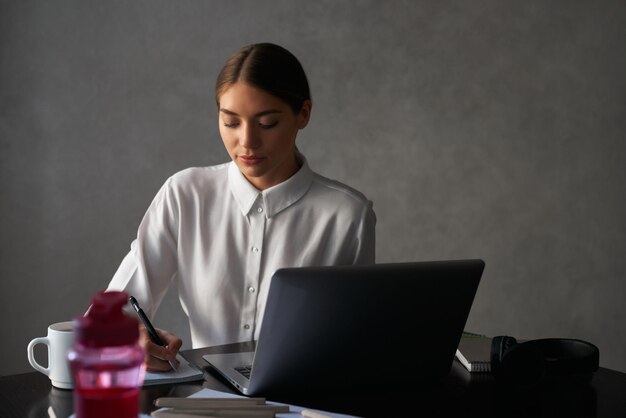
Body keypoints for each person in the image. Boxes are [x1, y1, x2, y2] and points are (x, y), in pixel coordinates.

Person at [106, 43, 376, 371]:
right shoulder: (185, 194)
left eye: (267, 123)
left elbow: (358, 336)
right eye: (231, 122)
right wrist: (134, 336)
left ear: (303, 114)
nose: (247, 141)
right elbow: (112, 311)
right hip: (207, 401)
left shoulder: (348, 215)